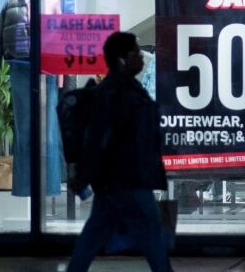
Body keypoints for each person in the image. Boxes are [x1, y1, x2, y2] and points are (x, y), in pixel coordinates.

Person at [68, 32, 172, 272]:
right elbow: (97, 140)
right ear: (122, 60)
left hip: (118, 181)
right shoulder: (114, 94)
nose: (141, 58)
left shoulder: (127, 89)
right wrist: (83, 176)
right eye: (136, 53)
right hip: (127, 179)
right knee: (152, 231)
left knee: (96, 233)